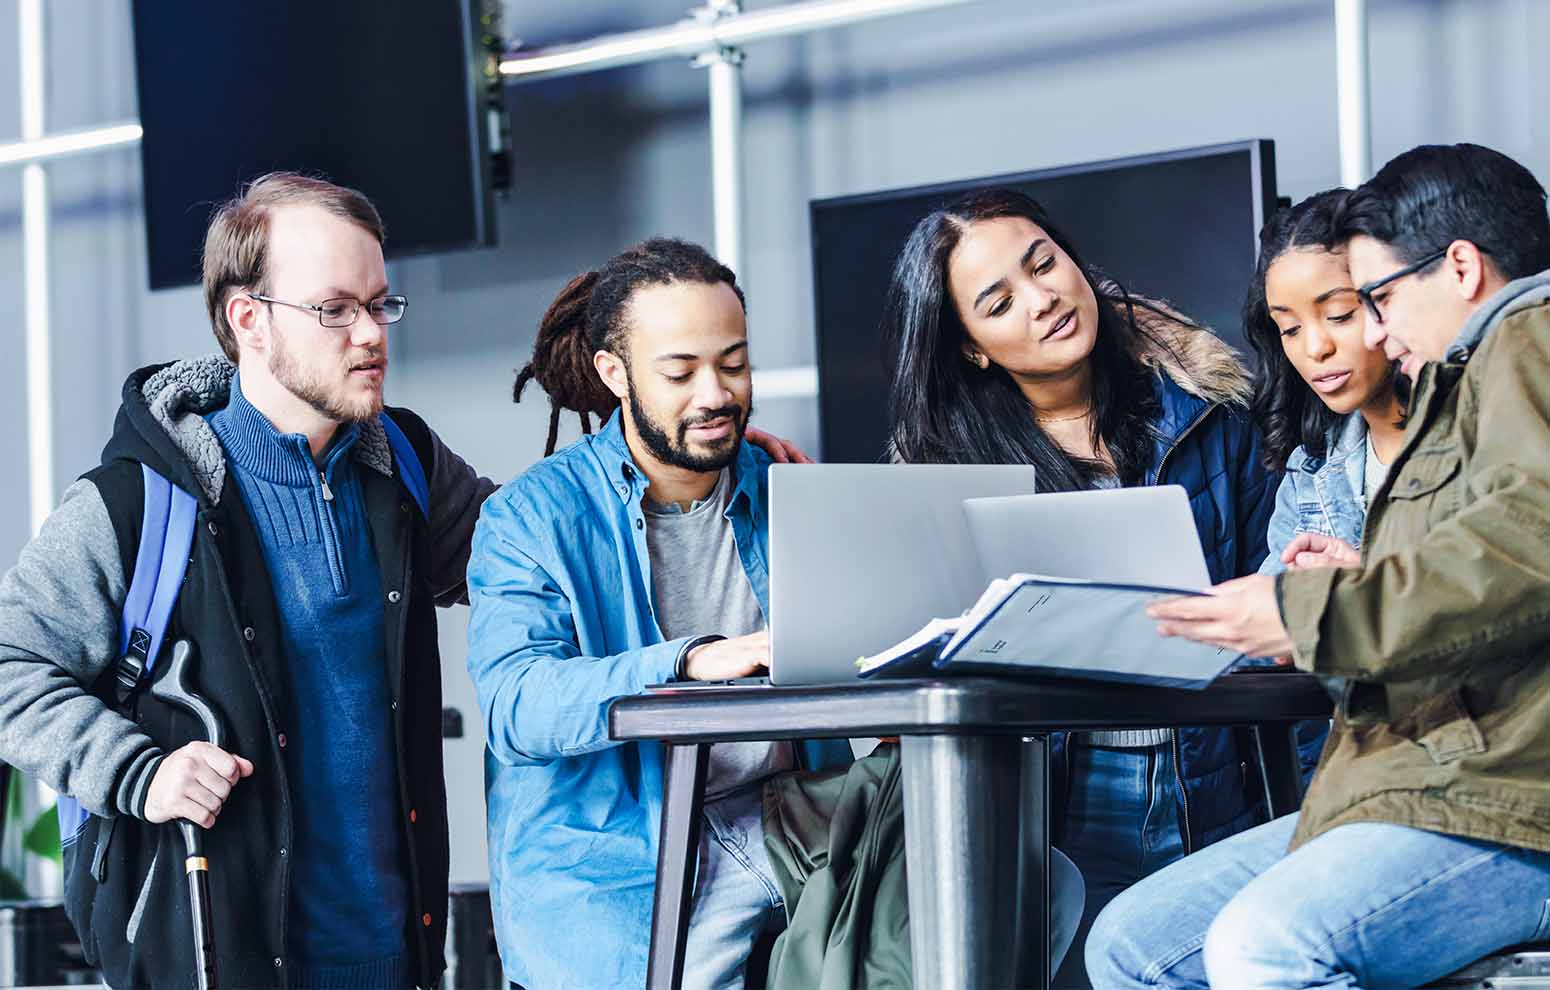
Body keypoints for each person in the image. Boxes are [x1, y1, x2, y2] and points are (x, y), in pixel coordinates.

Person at [468, 236, 1085, 989]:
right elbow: (513, 706)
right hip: (638, 849)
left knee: (1026, 882)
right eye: (681, 371)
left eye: (733, 362)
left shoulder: (787, 484)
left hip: (791, 817)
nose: (715, 394)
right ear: (613, 374)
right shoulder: (530, 518)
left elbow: (865, 650)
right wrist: (688, 660)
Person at [0, 173, 498, 989]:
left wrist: (679, 464)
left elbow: (541, 554)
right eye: (335, 309)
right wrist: (140, 771)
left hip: (398, 962)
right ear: (248, 319)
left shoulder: (405, 467)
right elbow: (8, 666)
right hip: (220, 963)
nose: (370, 334)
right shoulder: (135, 503)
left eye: (380, 304)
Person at [1091, 142, 1550, 989]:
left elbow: (1527, 544)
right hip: (1413, 785)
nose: (1374, 330)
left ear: (1460, 268)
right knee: (1130, 945)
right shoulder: (1470, 383)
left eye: (1375, 299)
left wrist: (1311, 611)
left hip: (1499, 803)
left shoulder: (1529, 335)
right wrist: (1355, 580)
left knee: (1263, 947)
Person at [883, 187, 1279, 987]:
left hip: (1217, 772)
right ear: (972, 348)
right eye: (1000, 302)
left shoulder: (1212, 412)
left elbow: (1277, 607)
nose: (1043, 299)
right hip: (1057, 798)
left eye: (1044, 264)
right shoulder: (942, 473)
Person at [1245, 189, 1406, 575]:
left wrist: (1367, 591)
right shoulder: (1309, 472)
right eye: (1291, 328)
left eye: (1339, 315)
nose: (1315, 348)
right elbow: (1267, 607)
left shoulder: (1475, 442)